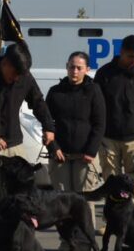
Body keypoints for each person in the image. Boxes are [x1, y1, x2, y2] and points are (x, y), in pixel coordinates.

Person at [0, 42, 55, 251]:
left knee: (21, 203)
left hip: (16, 147)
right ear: (4, 64)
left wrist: (48, 126)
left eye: (20, 76)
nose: (16, 79)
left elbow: (38, 101)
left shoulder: (24, 77)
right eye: (13, 74)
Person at [92, 35, 134, 212]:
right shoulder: (104, 73)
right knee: (111, 179)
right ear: (121, 52)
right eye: (130, 56)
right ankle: (112, 218)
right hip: (108, 136)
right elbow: (95, 103)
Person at [45, 50, 106, 237]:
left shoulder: (94, 91)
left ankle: (86, 241)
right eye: (71, 67)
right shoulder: (55, 92)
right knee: (62, 202)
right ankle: (67, 241)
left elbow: (100, 123)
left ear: (87, 69)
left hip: (84, 157)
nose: (75, 71)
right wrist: (53, 147)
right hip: (61, 156)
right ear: (66, 67)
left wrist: (91, 150)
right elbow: (47, 123)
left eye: (79, 68)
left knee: (84, 200)